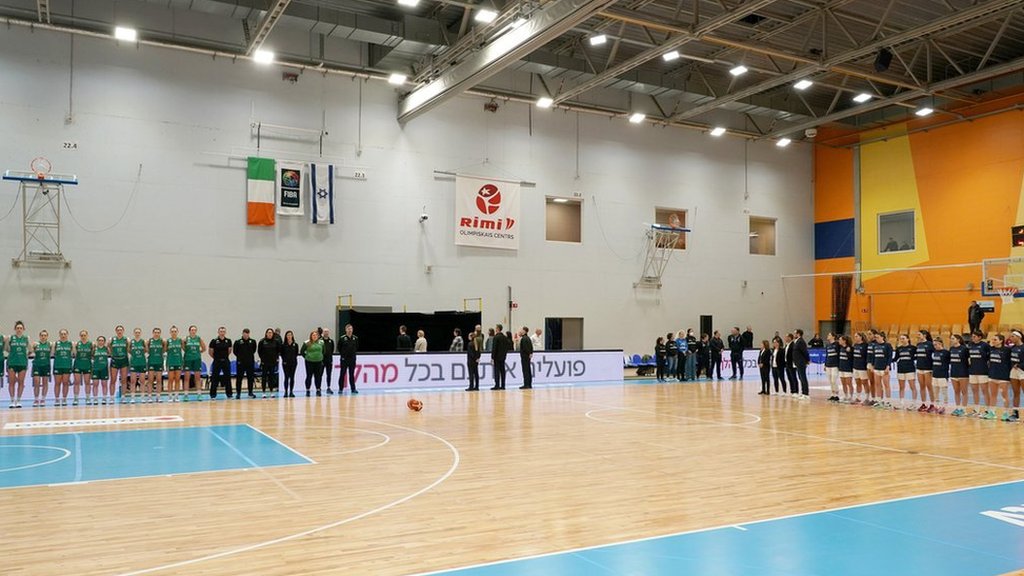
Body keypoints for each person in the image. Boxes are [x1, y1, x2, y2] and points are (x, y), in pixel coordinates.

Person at [966, 329, 990, 418]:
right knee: (974, 391)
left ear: (980, 337)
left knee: (985, 391)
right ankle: (976, 410)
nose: (972, 338)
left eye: (974, 336)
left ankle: (988, 410)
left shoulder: (985, 345)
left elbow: (989, 357)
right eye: (972, 336)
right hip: (972, 371)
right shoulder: (970, 345)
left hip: (983, 372)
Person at [989, 333, 1012, 421]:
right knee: (993, 395)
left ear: (1001, 341)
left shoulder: (1007, 350)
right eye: (992, 340)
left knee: (1004, 395)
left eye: (995, 340)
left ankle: (1006, 413)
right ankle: (992, 413)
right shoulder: (991, 349)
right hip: (993, 375)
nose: (993, 341)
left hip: (1003, 376)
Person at [208, 326, 233, 400]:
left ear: (225, 332)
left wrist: (224, 357)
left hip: (226, 361)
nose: (222, 333)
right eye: (221, 331)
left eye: (223, 331)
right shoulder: (214, 341)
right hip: (217, 361)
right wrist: (216, 358)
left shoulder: (228, 341)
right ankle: (213, 395)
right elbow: (210, 352)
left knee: (227, 378)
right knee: (214, 378)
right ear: (218, 332)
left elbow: (229, 351)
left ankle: (229, 394)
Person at [7, 321, 28, 409]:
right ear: (15, 329)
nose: (19, 329)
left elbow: (30, 350)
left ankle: (18, 400)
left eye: (21, 328)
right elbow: (7, 349)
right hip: (12, 362)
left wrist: (24, 355)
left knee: (21, 382)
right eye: (17, 328)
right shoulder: (10, 338)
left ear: (23, 329)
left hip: (22, 363)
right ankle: (12, 400)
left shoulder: (26, 338)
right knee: (11, 382)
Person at [183, 325, 206, 402]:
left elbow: (204, 348)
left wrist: (198, 352)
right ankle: (186, 395)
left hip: (197, 359)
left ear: (196, 331)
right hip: (188, 359)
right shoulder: (186, 339)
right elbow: (183, 348)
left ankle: (199, 394)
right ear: (189, 331)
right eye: (192, 330)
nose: (193, 331)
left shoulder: (199, 339)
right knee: (186, 378)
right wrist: (188, 353)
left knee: (197, 378)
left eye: (194, 330)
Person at [949, 333, 970, 416]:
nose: (951, 340)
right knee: (956, 391)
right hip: (954, 372)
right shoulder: (951, 349)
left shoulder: (964, 349)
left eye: (953, 338)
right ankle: (958, 408)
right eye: (951, 338)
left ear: (958, 340)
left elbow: (969, 361)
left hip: (963, 373)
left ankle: (964, 409)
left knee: (964, 392)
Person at [872, 332, 893, 409]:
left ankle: (888, 402)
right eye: (875, 337)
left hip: (884, 368)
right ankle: (879, 401)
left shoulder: (887, 345)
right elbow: (874, 356)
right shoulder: (875, 346)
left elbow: (890, 356)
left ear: (882, 337)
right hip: (877, 368)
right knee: (877, 385)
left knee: (886, 385)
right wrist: (873, 365)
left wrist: (888, 366)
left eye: (877, 337)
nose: (876, 339)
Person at [894, 334, 917, 410]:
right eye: (901, 339)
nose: (902, 340)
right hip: (900, 369)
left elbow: (917, 356)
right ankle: (901, 403)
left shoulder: (913, 348)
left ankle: (913, 404)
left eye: (903, 338)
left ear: (908, 339)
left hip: (910, 369)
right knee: (901, 387)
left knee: (912, 387)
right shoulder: (899, 349)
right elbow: (896, 358)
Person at [915, 330, 935, 412]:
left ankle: (932, 404)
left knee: (929, 386)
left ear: (924, 335)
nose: (918, 336)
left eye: (919, 335)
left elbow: (935, 355)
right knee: (922, 386)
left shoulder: (930, 344)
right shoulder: (918, 344)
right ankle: (923, 404)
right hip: (919, 368)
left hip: (928, 368)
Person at [233, 328, 257, 399]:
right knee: (239, 378)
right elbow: (235, 351)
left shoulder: (253, 341)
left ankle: (250, 392)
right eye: (244, 333)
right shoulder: (238, 342)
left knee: (250, 378)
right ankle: (238, 393)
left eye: (247, 333)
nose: (246, 335)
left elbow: (254, 350)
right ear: (242, 333)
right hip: (241, 363)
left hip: (250, 363)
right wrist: (241, 357)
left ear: (249, 334)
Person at [72, 329, 94, 406]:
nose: (83, 337)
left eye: (84, 335)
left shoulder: (91, 344)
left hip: (87, 364)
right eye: (82, 335)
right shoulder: (77, 344)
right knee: (76, 382)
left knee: (87, 382)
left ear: (87, 335)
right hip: (78, 364)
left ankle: (88, 398)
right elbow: (74, 353)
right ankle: (76, 399)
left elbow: (92, 354)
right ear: (80, 336)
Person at [300, 330, 325, 396]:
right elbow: (302, 351)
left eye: (316, 335)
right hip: (309, 362)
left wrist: (320, 357)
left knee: (318, 376)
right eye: (313, 335)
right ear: (311, 336)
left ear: (318, 336)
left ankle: (318, 389)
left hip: (318, 362)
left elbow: (323, 351)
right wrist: (307, 357)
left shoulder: (321, 342)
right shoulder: (307, 343)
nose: (314, 336)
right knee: (309, 376)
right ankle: (308, 389)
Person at [31, 330, 51, 408]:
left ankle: (43, 399)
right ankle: (36, 399)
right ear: (40, 336)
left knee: (45, 382)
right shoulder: (36, 344)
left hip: (46, 365)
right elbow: (30, 351)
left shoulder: (50, 344)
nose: (43, 337)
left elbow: (52, 353)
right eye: (42, 335)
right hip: (37, 365)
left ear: (47, 336)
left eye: (45, 335)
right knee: (37, 382)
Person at [258, 328, 280, 398]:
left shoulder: (276, 342)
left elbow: (278, 351)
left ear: (273, 334)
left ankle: (271, 392)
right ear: (266, 333)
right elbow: (259, 351)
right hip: (264, 362)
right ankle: (264, 392)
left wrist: (276, 358)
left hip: (272, 362)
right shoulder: (262, 341)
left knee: (271, 377)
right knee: (264, 377)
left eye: (271, 333)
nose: (270, 334)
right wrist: (263, 359)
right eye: (268, 332)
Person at [931, 336, 951, 415]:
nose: (934, 346)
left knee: (944, 392)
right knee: (935, 392)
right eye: (934, 345)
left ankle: (944, 407)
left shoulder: (946, 352)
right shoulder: (934, 352)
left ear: (940, 344)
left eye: (936, 344)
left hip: (943, 375)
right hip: (935, 375)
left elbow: (950, 362)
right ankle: (937, 406)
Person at [110, 325, 129, 404]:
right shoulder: (112, 339)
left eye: (121, 330)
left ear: (123, 331)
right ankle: (111, 397)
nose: (119, 331)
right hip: (115, 360)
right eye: (118, 330)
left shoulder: (126, 339)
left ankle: (123, 397)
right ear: (116, 331)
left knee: (124, 380)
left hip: (123, 360)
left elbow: (128, 349)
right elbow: (109, 347)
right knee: (113, 380)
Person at [53, 329, 73, 407]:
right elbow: (53, 353)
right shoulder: (56, 344)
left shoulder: (71, 344)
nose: (63, 335)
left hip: (67, 365)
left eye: (65, 334)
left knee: (65, 383)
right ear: (59, 335)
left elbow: (73, 352)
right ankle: (57, 399)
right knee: (57, 383)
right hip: (58, 365)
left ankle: (64, 399)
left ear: (67, 334)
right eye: (62, 334)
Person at [128, 328, 148, 404]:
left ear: (140, 333)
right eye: (136, 332)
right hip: (133, 363)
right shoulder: (131, 341)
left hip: (142, 362)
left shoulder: (143, 341)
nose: (137, 333)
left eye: (138, 332)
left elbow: (146, 350)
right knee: (133, 381)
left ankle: (142, 397)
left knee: (142, 381)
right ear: (134, 333)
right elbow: (128, 350)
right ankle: (132, 398)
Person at [338, 324, 359, 394]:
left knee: (351, 374)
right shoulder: (342, 338)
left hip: (352, 359)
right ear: (346, 330)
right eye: (348, 329)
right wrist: (343, 355)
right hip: (344, 359)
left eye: (351, 329)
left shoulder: (355, 338)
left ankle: (353, 389)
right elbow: (339, 348)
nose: (350, 330)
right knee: (342, 374)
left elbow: (357, 347)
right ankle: (340, 389)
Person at [165, 326, 184, 403]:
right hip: (170, 362)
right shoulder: (168, 341)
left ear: (177, 332)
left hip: (178, 362)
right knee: (170, 380)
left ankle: (176, 396)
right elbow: (165, 350)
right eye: (172, 331)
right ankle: (170, 396)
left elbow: (184, 348)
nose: (174, 332)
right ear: (170, 332)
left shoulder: (180, 340)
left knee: (177, 380)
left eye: (175, 331)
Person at [147, 327, 166, 404]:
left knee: (159, 380)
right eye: (155, 332)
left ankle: (158, 396)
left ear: (160, 333)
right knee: (150, 380)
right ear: (153, 333)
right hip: (151, 361)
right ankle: (149, 397)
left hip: (159, 362)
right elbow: (147, 350)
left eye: (158, 332)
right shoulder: (149, 341)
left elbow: (164, 350)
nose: (157, 334)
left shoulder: (162, 341)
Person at [490, 324, 510, 390]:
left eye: (496, 328)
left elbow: (494, 348)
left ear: (498, 329)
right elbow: (507, 346)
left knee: (497, 371)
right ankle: (503, 385)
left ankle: (497, 385)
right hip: (503, 356)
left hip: (497, 357)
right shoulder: (504, 337)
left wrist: (492, 357)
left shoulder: (496, 337)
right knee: (502, 371)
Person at [92, 336, 110, 405]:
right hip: (96, 369)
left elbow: (109, 357)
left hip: (104, 369)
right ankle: (95, 399)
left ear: (104, 342)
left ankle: (104, 398)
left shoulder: (106, 349)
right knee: (95, 384)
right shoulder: (94, 349)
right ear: (97, 341)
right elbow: (92, 357)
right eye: (99, 340)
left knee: (104, 384)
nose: (101, 341)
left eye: (102, 340)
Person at [1009, 330, 1023, 422]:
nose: (1011, 338)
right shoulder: (1012, 348)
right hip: (1014, 371)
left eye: (1013, 336)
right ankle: (1015, 414)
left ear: (1019, 337)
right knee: (1016, 393)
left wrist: (1019, 365)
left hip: (1022, 371)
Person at [851, 332, 869, 405]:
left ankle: (867, 398)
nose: (855, 338)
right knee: (857, 382)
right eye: (854, 336)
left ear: (861, 337)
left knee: (865, 383)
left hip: (863, 367)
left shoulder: (865, 345)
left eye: (857, 336)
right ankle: (858, 398)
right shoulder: (855, 345)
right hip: (855, 367)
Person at [793, 329, 810, 399]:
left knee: (803, 377)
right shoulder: (796, 341)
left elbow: (805, 352)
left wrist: (807, 360)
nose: (794, 335)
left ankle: (806, 393)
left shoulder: (801, 342)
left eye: (795, 333)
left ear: (798, 334)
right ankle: (803, 392)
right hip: (797, 362)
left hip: (801, 362)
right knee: (800, 377)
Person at [281, 330, 299, 397]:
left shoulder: (295, 345)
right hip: (285, 363)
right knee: (286, 377)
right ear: (286, 336)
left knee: (292, 377)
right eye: (288, 335)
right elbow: (282, 354)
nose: (289, 336)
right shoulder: (283, 345)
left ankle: (291, 392)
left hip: (293, 363)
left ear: (292, 336)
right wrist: (284, 360)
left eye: (290, 335)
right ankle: (285, 392)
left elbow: (296, 353)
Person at [837, 335, 853, 403]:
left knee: (849, 383)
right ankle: (845, 395)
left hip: (848, 368)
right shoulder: (841, 348)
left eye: (840, 340)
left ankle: (851, 397)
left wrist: (848, 352)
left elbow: (851, 358)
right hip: (841, 368)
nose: (839, 341)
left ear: (844, 341)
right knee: (843, 383)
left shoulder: (850, 348)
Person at [824, 332, 839, 402]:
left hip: (835, 365)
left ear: (833, 337)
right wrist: (825, 364)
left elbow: (839, 354)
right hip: (828, 365)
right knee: (830, 381)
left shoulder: (837, 344)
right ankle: (832, 394)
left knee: (834, 380)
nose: (828, 336)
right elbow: (827, 355)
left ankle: (837, 395)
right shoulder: (827, 345)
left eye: (829, 335)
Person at [321, 329, 335, 394]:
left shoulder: (331, 341)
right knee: (319, 375)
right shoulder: (320, 341)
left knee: (329, 374)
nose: (326, 333)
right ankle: (319, 388)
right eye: (325, 332)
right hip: (321, 361)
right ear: (323, 333)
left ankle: (328, 387)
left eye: (327, 332)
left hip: (329, 360)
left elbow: (332, 350)